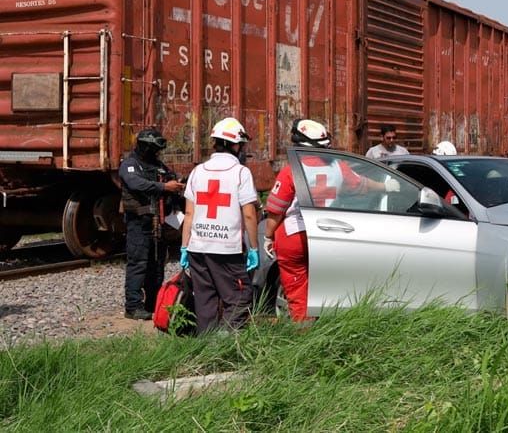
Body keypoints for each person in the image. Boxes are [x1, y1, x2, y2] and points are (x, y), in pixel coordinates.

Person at [265, 118, 400, 321]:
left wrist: (268, 236)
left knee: (298, 290)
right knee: (327, 287)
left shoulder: (290, 171)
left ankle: (304, 335)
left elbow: (276, 209)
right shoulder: (338, 167)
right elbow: (361, 184)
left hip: (294, 237)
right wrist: (386, 187)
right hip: (327, 235)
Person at [180, 117, 260, 333]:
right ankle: (227, 346)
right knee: (239, 297)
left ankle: (206, 348)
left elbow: (189, 213)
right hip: (228, 250)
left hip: (198, 248)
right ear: (235, 145)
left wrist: (185, 246)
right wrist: (254, 248)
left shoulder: (198, 171)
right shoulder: (241, 173)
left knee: (205, 302)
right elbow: (250, 215)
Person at [119, 129, 185, 320]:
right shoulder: (130, 165)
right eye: (153, 148)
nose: (156, 152)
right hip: (139, 224)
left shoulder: (158, 166)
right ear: (145, 146)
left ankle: (152, 303)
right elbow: (135, 184)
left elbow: (170, 178)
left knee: (156, 265)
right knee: (138, 264)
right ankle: (132, 307)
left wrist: (176, 185)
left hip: (158, 225)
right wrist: (164, 187)